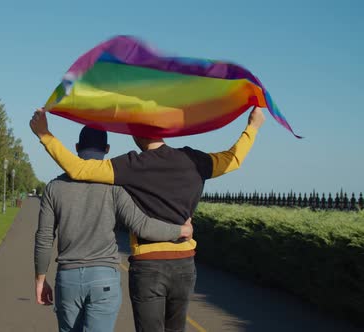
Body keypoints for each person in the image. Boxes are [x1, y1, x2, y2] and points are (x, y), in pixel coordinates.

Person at [30, 107, 266, 332]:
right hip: (184, 263)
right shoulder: (193, 160)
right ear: (165, 130)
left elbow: (80, 170)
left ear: (135, 133)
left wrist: (45, 134)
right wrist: (252, 127)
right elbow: (233, 159)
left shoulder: (131, 166)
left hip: (147, 264)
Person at [34, 126, 194, 332]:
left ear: (75, 148)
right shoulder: (115, 187)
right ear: (107, 149)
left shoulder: (54, 187)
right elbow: (142, 225)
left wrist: (40, 279)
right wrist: (180, 230)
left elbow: (44, 237)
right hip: (104, 278)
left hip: (68, 279)